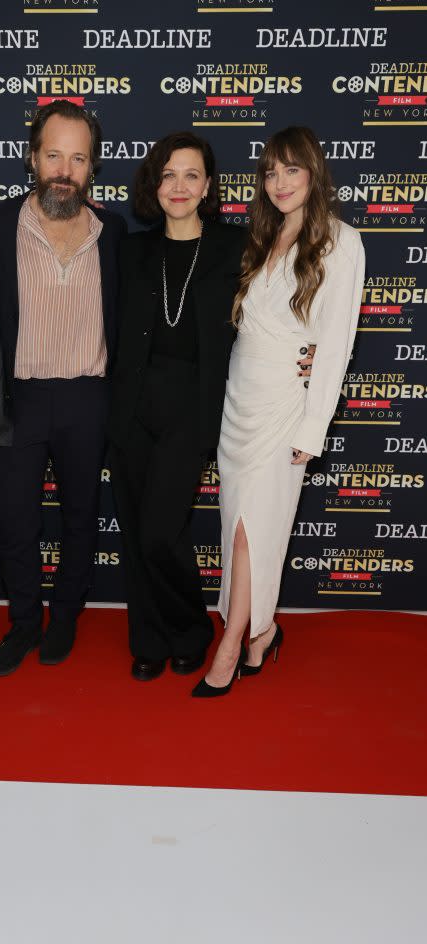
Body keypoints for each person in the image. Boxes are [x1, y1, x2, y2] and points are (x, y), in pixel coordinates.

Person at [193, 126, 365, 697]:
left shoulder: (342, 242)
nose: (280, 182)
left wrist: (313, 427)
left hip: (285, 409)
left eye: (292, 169)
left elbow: (335, 345)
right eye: (270, 171)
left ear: (314, 172)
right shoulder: (260, 237)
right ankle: (262, 632)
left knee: (252, 532)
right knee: (235, 527)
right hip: (238, 401)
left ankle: (232, 641)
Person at [0, 100, 125, 675]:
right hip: (17, 396)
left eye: (78, 158)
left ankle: (65, 615)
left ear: (92, 168)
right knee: (16, 518)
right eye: (53, 155)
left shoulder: (113, 233)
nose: (64, 170)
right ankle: (23, 622)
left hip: (87, 398)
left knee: (80, 515)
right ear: (31, 158)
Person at [107, 132, 246, 681]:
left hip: (193, 410)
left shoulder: (236, 248)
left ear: (208, 185)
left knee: (160, 531)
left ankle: (190, 629)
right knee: (135, 531)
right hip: (131, 406)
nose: (179, 186)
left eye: (191, 175)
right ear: (154, 184)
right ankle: (149, 639)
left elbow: (277, 313)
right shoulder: (133, 250)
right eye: (168, 174)